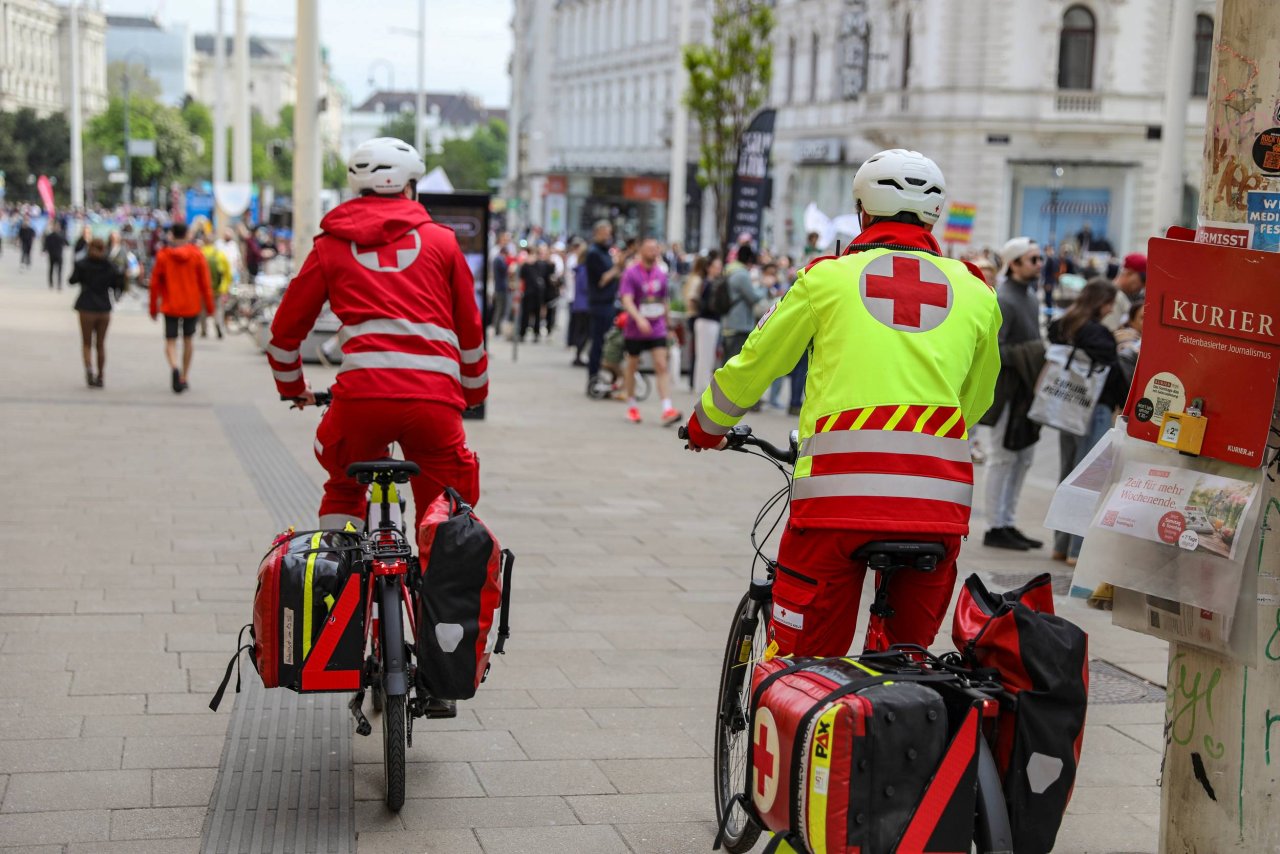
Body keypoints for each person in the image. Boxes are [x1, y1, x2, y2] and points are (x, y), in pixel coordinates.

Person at [684, 148, 1001, 655]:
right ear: (934, 216)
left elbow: (755, 363)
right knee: (908, 658)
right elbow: (978, 398)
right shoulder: (977, 292)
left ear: (862, 211)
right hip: (937, 507)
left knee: (805, 664)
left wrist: (707, 425)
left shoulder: (827, 279)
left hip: (835, 502)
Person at [267, 136, 486, 535]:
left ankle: (339, 564)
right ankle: (438, 570)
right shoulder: (442, 242)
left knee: (342, 481)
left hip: (362, 400)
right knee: (446, 503)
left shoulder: (331, 245)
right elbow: (470, 330)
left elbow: (283, 334)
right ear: (410, 187)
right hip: (433, 402)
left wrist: (293, 388)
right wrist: (473, 392)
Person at [1048, 279, 1127, 565]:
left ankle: (1060, 544)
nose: (1111, 310)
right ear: (1101, 302)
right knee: (1088, 478)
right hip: (1094, 408)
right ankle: (1076, 549)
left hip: (1068, 405)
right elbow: (1112, 369)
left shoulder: (1062, 325)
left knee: (1067, 472)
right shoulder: (1099, 334)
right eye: (1110, 303)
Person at [979, 236, 1047, 551]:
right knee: (1002, 458)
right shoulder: (1004, 298)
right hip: (1006, 391)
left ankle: (1007, 521)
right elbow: (995, 348)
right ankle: (994, 525)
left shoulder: (1030, 296)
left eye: (1039, 258)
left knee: (1023, 458)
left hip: (1025, 390)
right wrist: (1031, 353)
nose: (1039, 264)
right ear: (1015, 263)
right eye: (1033, 259)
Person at [618, 237, 682, 425]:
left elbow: (664, 301)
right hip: (635, 328)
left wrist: (669, 326)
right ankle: (632, 406)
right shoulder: (631, 273)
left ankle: (667, 408)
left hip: (657, 327)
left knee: (661, 364)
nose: (653, 252)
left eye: (656, 249)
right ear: (641, 251)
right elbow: (626, 300)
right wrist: (639, 318)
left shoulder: (661, 274)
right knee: (632, 365)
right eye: (650, 249)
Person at [149, 223, 216, 393]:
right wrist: (209, 307)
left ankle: (174, 367)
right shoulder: (197, 255)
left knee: (170, 340)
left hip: (170, 304)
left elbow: (154, 284)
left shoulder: (163, 255)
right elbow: (205, 283)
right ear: (187, 235)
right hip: (191, 305)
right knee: (188, 340)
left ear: (171, 235)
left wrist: (153, 307)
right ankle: (184, 376)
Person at [69, 237, 124, 388]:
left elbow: (72, 280)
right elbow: (117, 284)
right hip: (104, 308)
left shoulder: (82, 264)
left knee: (86, 343)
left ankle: (89, 369)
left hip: (86, 307)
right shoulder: (109, 266)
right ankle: (100, 376)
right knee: (100, 344)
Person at [585, 220, 622, 393]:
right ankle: (593, 380)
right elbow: (602, 280)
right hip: (600, 304)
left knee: (605, 344)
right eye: (605, 233)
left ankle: (604, 380)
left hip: (608, 302)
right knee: (599, 344)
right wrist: (616, 269)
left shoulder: (605, 252)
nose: (608, 236)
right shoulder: (594, 253)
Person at [719, 243, 765, 365]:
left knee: (727, 360)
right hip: (739, 324)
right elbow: (753, 297)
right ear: (749, 260)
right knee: (734, 361)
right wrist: (764, 287)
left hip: (728, 321)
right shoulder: (742, 274)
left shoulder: (730, 270)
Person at [684, 252, 722, 393]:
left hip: (707, 320)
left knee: (706, 354)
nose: (718, 270)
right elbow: (692, 299)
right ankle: (701, 385)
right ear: (708, 267)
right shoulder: (705, 283)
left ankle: (700, 383)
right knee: (704, 354)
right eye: (716, 267)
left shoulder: (709, 282)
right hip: (705, 320)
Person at [197, 230, 232, 339]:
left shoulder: (200, 253)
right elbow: (227, 273)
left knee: (202, 309)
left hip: (203, 288)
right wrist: (225, 286)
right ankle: (217, 323)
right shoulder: (220, 254)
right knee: (219, 309)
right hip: (218, 288)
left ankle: (204, 329)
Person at [1101, 252, 1146, 331]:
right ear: (1129, 273)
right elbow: (1109, 331)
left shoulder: (1116, 294)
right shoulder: (1115, 296)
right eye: (1143, 280)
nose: (1142, 286)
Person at [518, 243, 552, 342]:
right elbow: (521, 277)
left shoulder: (541, 265)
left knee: (537, 314)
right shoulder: (525, 266)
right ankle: (522, 333)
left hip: (538, 294)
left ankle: (536, 333)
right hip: (528, 293)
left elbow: (547, 274)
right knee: (525, 314)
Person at [43, 221, 68, 290]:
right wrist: (44, 250)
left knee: (59, 270)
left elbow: (67, 243)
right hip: (52, 255)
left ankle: (58, 284)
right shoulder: (50, 236)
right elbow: (46, 245)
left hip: (58, 255)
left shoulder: (61, 235)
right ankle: (51, 283)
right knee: (52, 269)